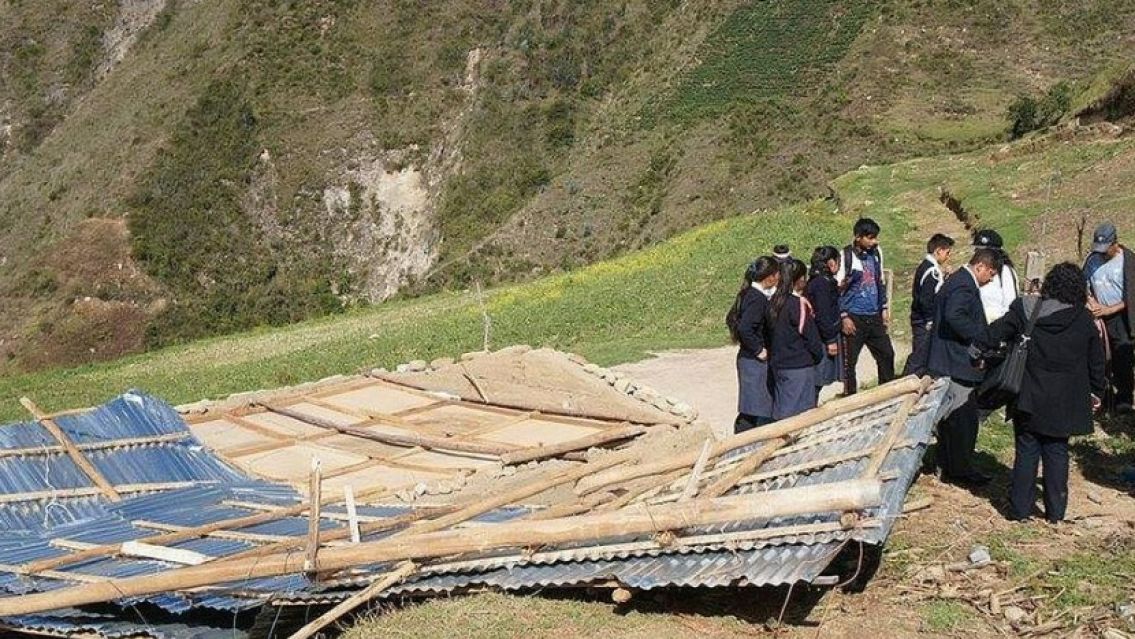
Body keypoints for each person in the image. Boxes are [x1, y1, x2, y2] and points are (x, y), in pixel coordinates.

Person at [990, 263, 1106, 522]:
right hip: (1065, 401)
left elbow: (997, 332)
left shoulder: (1028, 310)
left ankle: (1019, 510)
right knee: (1057, 451)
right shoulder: (1084, 320)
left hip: (1029, 396)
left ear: (1050, 284)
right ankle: (1055, 514)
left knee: (1026, 450)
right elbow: (1096, 362)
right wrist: (1096, 392)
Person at [927, 248, 1002, 486]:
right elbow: (954, 315)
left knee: (951, 420)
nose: (990, 280)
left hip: (949, 360)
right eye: (990, 273)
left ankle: (946, 464)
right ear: (980, 267)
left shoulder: (958, 280)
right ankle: (959, 470)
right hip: (957, 362)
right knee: (962, 420)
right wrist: (981, 336)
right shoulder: (963, 285)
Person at [836, 218, 895, 394]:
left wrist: (883, 307)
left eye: (875, 237)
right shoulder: (845, 256)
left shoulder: (877, 253)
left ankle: (887, 393)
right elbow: (838, 289)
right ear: (858, 237)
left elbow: (879, 281)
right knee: (850, 362)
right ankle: (850, 397)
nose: (874, 241)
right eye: (870, 238)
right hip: (854, 317)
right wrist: (844, 316)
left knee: (886, 354)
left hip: (874, 314)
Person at [1083, 221, 1135, 413]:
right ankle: (1101, 396)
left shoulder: (1128, 262)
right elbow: (1084, 284)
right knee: (1098, 358)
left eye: (1106, 249)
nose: (1103, 253)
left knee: (1122, 358)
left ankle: (1124, 399)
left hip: (1120, 317)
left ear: (1115, 243)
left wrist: (1109, 309)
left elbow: (1131, 296)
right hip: (1097, 317)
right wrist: (1091, 301)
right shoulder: (1092, 260)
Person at [727, 257, 781, 433]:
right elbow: (745, 328)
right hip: (753, 360)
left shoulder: (748, 293)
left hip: (749, 358)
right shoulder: (757, 298)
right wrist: (759, 350)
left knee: (755, 404)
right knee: (752, 408)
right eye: (777, 274)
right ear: (770, 277)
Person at [768, 258, 824, 419]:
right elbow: (810, 337)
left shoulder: (772, 302)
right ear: (799, 279)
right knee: (799, 415)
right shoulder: (798, 305)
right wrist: (816, 356)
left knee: (781, 408)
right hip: (799, 366)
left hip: (778, 364)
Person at [903, 234, 955, 376]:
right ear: (938, 250)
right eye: (947, 252)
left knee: (924, 355)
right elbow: (926, 299)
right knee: (919, 356)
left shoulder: (928, 267)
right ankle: (904, 384)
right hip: (924, 321)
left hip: (921, 319)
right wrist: (930, 320)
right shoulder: (931, 271)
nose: (948, 256)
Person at [806, 246, 842, 399]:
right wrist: (831, 340)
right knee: (817, 378)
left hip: (821, 335)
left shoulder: (820, 281)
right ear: (832, 262)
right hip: (821, 337)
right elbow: (823, 313)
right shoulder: (821, 284)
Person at [973, 229, 1020, 324]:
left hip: (995, 326)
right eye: (977, 251)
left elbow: (1010, 304)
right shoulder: (974, 269)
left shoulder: (1005, 272)